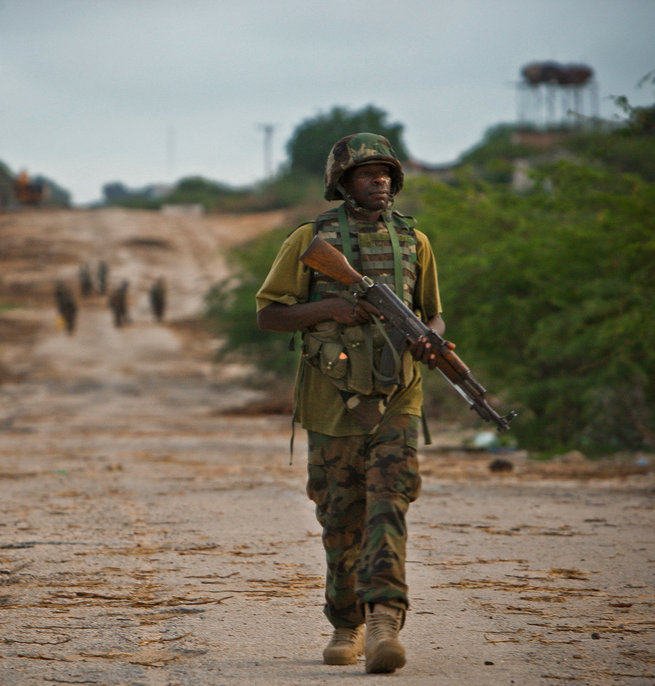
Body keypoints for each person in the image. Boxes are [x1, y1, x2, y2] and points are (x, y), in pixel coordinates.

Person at [255, 133, 447, 674]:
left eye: (386, 173)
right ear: (342, 183)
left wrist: (431, 337)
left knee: (390, 498)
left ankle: (385, 617)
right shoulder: (309, 240)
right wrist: (332, 309)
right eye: (367, 174)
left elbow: (433, 313)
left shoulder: (415, 241)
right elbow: (269, 315)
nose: (380, 181)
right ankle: (347, 623)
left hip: (398, 394)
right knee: (341, 516)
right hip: (332, 398)